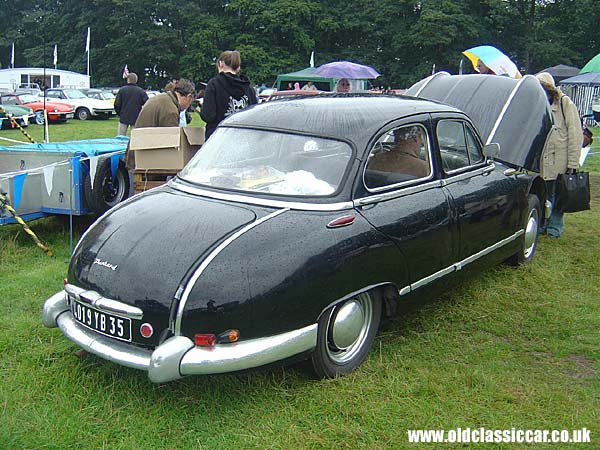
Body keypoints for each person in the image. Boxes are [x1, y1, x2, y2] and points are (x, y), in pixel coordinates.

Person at [536, 72, 582, 238]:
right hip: (543, 159)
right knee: (545, 194)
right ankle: (543, 224)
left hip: (560, 159)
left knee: (559, 195)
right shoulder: (538, 105)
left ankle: (554, 227)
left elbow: (575, 134)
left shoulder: (565, 103)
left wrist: (572, 163)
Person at [124, 78, 196, 169]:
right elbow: (172, 145)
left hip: (137, 153)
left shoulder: (163, 98)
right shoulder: (171, 111)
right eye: (190, 102)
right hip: (143, 162)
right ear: (188, 97)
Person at [200, 50, 257, 140]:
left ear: (221, 64)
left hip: (218, 139)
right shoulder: (249, 89)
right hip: (243, 138)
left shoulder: (214, 85)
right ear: (238, 67)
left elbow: (208, 116)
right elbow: (254, 117)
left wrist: (202, 108)